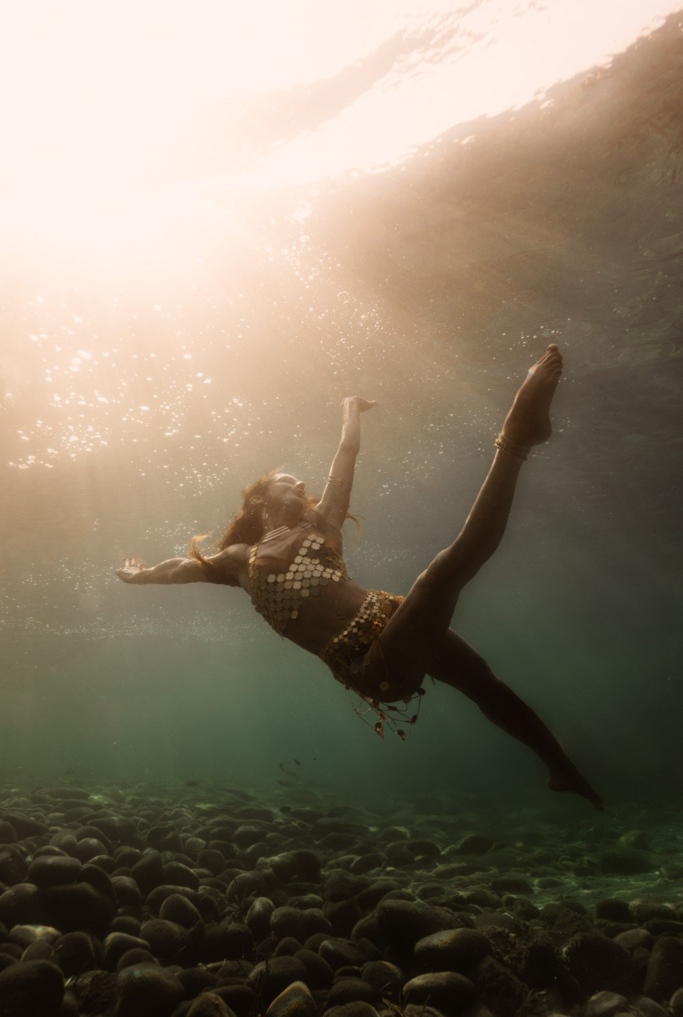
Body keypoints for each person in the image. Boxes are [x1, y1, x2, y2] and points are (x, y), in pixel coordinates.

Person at [117, 345, 603, 810]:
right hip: (371, 666)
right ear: (261, 500)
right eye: (289, 482)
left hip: (396, 619)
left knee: (487, 686)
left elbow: (346, 452)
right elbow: (178, 569)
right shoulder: (237, 559)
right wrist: (139, 577)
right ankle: (517, 438)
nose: (303, 485)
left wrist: (349, 407)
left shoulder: (323, 522)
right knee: (441, 574)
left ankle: (561, 768)